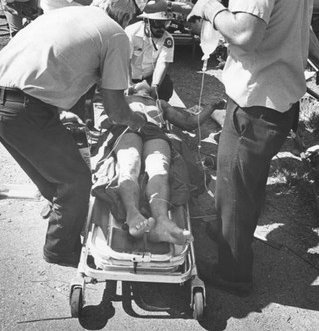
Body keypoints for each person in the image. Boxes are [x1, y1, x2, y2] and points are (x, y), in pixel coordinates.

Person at [188, 0, 313, 295]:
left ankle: (233, 273)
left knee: (235, 187)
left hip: (256, 102)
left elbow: (245, 33)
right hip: (281, 98)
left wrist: (210, 6)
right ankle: (229, 238)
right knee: (245, 183)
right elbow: (301, 25)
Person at [0, 0, 146, 268]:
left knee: (52, 176)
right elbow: (116, 109)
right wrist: (135, 120)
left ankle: (68, 220)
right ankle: (60, 251)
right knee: (75, 180)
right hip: (24, 111)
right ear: (125, 17)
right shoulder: (116, 33)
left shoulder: (69, 13)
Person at [94, 80, 224, 245]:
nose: (143, 81)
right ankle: (132, 213)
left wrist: (210, 107)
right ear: (130, 88)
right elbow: (103, 121)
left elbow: (189, 123)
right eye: (138, 81)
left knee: (160, 169)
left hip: (154, 131)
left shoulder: (160, 103)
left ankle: (161, 222)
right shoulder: (121, 98)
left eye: (147, 82)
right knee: (130, 163)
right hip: (126, 127)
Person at [125, 11, 175, 102]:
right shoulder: (131, 32)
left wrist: (155, 87)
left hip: (149, 76)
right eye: (158, 23)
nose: (162, 28)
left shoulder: (168, 39)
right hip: (129, 75)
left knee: (166, 86)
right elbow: (125, 61)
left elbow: (162, 64)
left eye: (166, 24)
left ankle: (158, 108)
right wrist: (129, 84)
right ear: (147, 22)